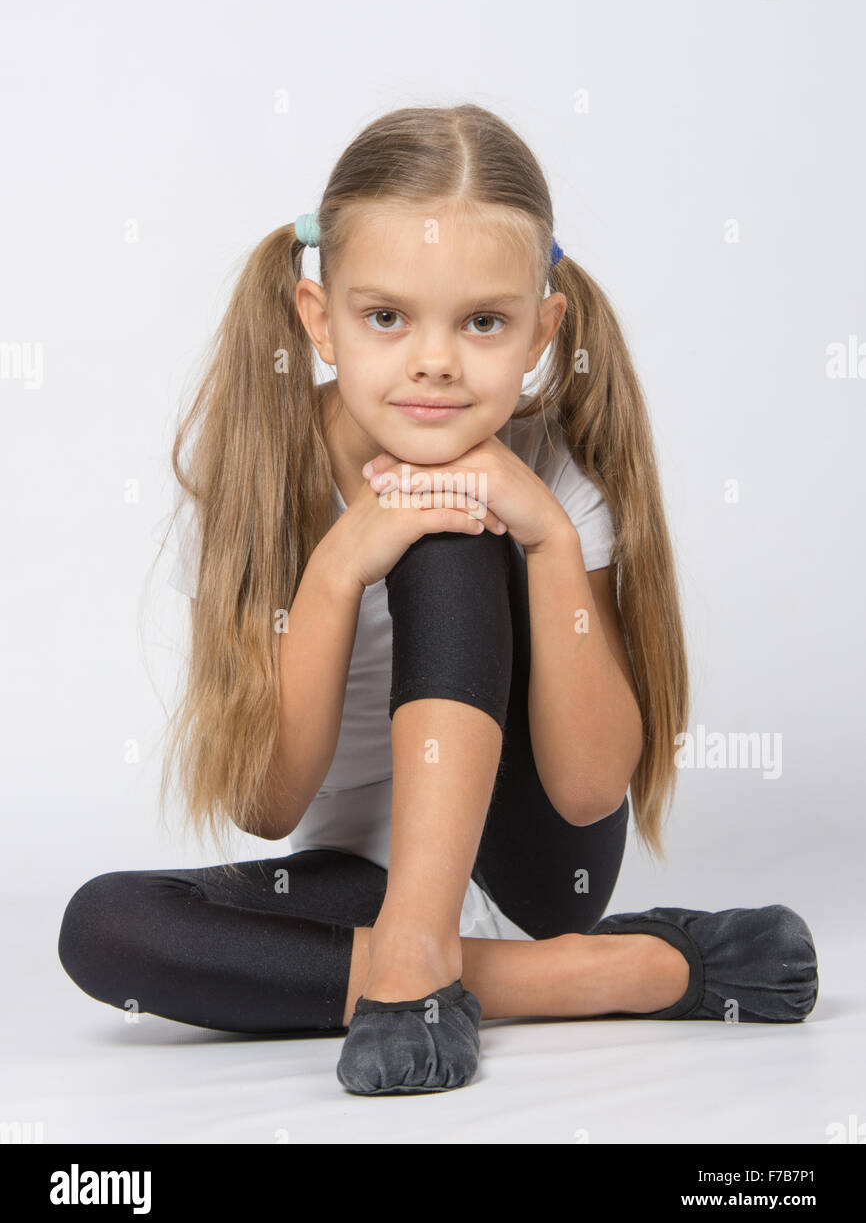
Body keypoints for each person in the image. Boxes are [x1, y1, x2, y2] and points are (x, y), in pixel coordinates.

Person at [57, 103, 819, 1097]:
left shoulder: (554, 478)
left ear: (542, 327)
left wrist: (541, 533)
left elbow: (588, 788)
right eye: (386, 317)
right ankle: (608, 970)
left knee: (450, 522)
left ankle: (422, 958)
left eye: (482, 322)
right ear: (317, 317)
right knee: (104, 929)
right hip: (355, 889)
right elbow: (266, 802)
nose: (434, 361)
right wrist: (336, 565)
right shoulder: (253, 478)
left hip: (528, 870)